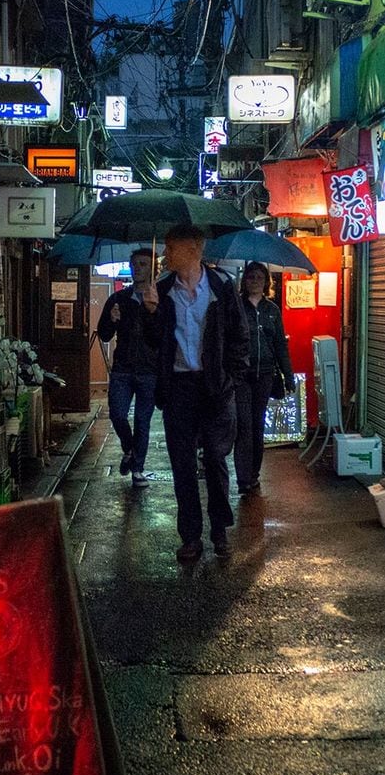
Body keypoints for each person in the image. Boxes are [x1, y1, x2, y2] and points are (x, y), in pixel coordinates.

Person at [141, 224, 249, 562]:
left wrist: (230, 376)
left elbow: (239, 335)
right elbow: (154, 343)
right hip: (178, 388)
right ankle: (190, 536)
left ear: (193, 249)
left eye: (171, 247)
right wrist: (151, 313)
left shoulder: (220, 287)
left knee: (216, 458)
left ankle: (219, 531)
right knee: (182, 464)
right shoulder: (162, 290)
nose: (165, 254)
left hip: (214, 385)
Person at [97, 248, 159, 488]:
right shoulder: (118, 299)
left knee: (143, 422)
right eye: (134, 264)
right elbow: (103, 334)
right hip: (123, 367)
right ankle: (129, 448)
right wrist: (110, 320)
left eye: (143, 264)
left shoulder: (158, 298)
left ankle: (138, 468)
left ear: (152, 267)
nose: (138, 268)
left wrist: (153, 311)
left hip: (148, 370)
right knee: (117, 414)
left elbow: (161, 335)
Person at [234, 261, 295, 495]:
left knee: (257, 425)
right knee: (244, 425)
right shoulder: (237, 307)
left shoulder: (272, 310)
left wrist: (288, 375)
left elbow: (280, 344)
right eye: (251, 277)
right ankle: (242, 478)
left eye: (259, 278)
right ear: (244, 280)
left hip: (265, 374)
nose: (255, 282)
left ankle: (253, 475)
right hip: (241, 374)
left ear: (266, 282)